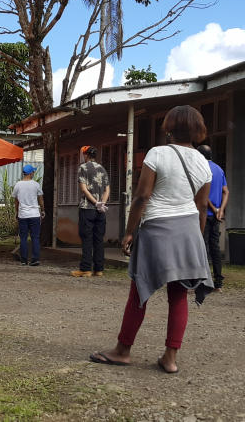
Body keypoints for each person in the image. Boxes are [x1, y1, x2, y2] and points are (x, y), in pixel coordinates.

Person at [90, 105, 214, 374]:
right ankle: (170, 358)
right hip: (189, 229)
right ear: (197, 130)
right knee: (179, 295)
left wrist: (129, 231)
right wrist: (197, 239)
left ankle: (123, 351)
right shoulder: (204, 163)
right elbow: (202, 207)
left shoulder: (157, 154)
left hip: (157, 226)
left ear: (169, 126)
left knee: (139, 293)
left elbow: (142, 196)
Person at [71, 146, 110, 277]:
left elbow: (84, 189)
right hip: (101, 210)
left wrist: (94, 202)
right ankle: (99, 269)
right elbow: (107, 190)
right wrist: (101, 203)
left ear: (86, 155)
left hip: (87, 208)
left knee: (87, 239)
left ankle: (85, 269)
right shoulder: (102, 169)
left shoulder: (83, 168)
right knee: (99, 239)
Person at [197, 145, 229, 290]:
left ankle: (202, 281)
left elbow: (201, 193)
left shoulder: (201, 169)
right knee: (215, 248)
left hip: (204, 215)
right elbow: (226, 191)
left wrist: (214, 208)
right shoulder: (219, 169)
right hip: (216, 216)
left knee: (202, 247)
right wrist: (221, 210)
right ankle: (218, 281)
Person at [12, 164, 45, 266]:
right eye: (33, 172)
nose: (34, 173)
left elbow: (16, 201)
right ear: (30, 173)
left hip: (23, 215)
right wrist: (43, 210)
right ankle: (35, 259)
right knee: (35, 237)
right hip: (34, 214)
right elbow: (41, 199)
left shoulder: (18, 185)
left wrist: (17, 212)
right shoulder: (36, 185)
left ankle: (24, 260)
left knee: (23, 238)